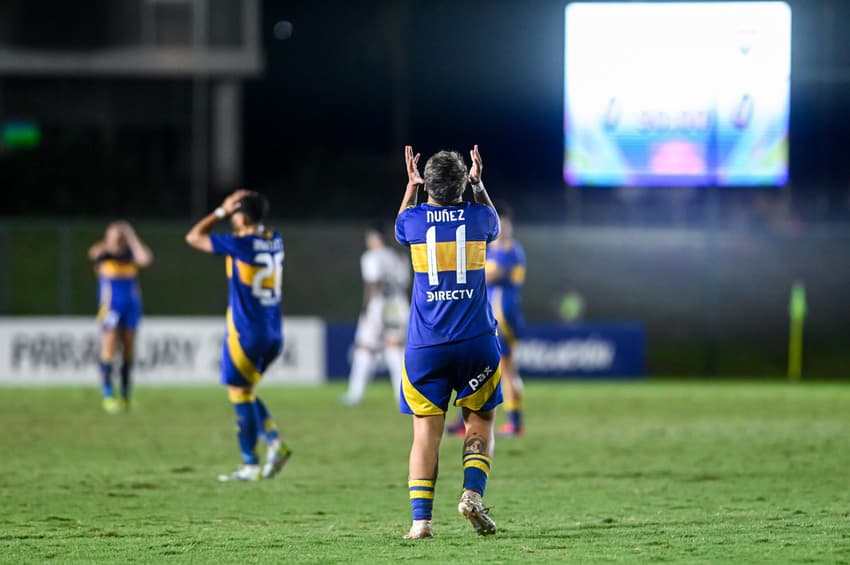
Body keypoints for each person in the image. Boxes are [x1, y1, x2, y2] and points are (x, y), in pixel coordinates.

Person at [395, 144, 502, 539]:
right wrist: (479, 185)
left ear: (427, 186)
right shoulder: (479, 217)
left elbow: (400, 222)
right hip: (476, 342)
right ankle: (472, 493)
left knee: (426, 432)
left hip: (426, 346)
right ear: (463, 180)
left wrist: (410, 187)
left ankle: (421, 522)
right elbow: (495, 224)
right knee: (481, 420)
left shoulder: (414, 222)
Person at [185, 189, 292, 482]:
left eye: (234, 213)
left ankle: (252, 463)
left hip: (246, 333)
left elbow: (193, 237)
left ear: (242, 215)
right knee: (246, 391)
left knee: (238, 392)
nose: (231, 218)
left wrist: (219, 211)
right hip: (273, 333)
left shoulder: (241, 244)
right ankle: (273, 445)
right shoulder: (275, 239)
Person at [447, 205, 527, 437]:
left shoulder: (511, 250)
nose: (501, 230)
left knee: (507, 368)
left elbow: (494, 275)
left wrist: (465, 272)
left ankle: (514, 422)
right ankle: (467, 419)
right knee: (478, 367)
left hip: (504, 315)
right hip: (488, 315)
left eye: (505, 224)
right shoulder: (490, 250)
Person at [88, 221, 153, 414]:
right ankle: (107, 395)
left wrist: (131, 236)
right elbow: (93, 253)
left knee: (128, 350)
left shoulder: (131, 254)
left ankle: (125, 395)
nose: (118, 237)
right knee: (109, 347)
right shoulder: (104, 255)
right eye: (114, 233)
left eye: (120, 234)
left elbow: (146, 259)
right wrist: (110, 240)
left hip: (131, 307)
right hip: (111, 308)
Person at [342, 226, 410, 406]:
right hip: (398, 307)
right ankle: (402, 395)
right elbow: (405, 286)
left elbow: (373, 283)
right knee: (395, 350)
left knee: (364, 348)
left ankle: (355, 395)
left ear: (374, 239)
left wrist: (366, 309)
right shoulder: (400, 257)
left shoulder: (371, 256)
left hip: (378, 307)